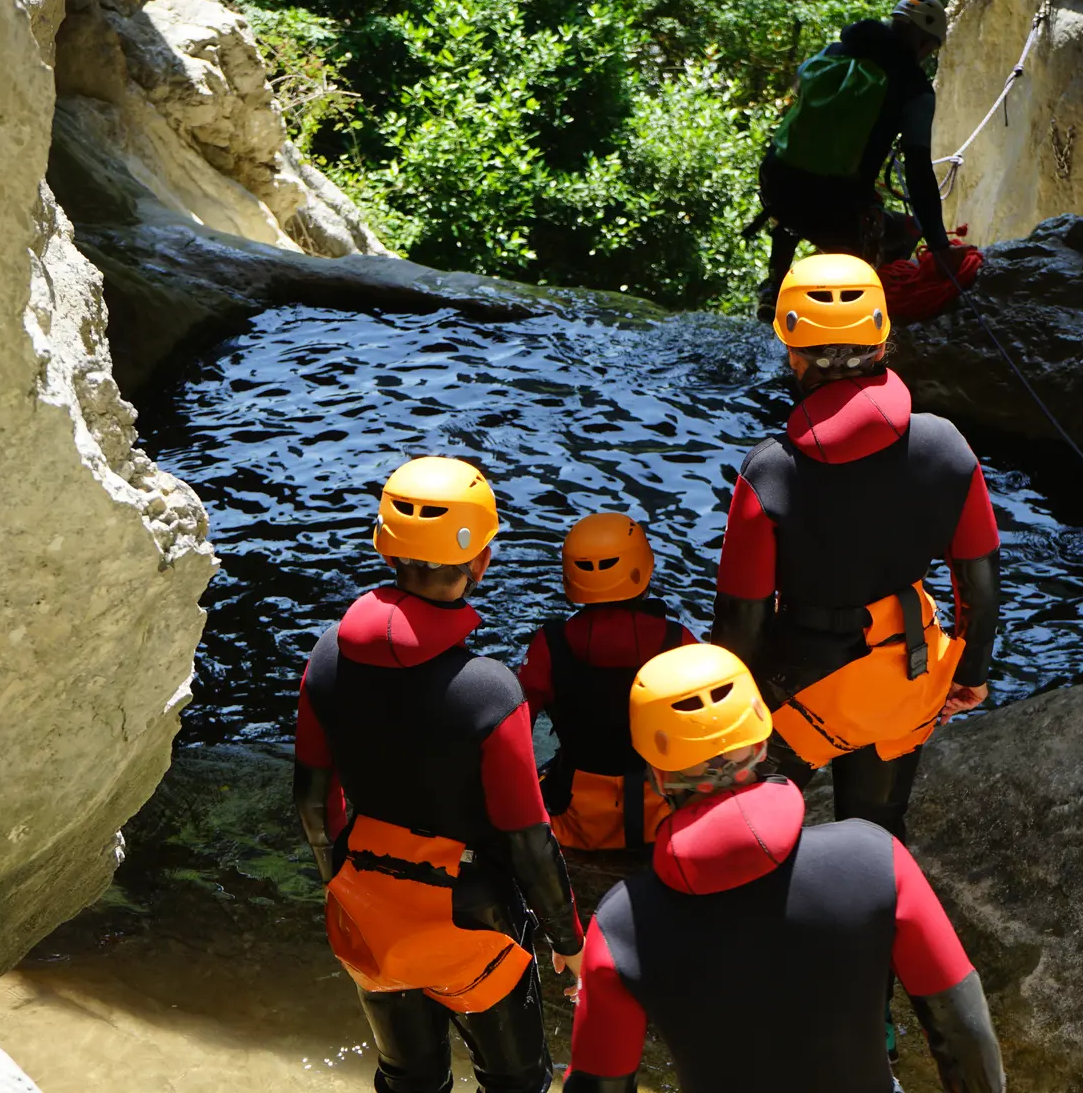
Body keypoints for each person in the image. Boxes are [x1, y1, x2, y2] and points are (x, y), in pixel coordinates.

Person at [560, 643, 1006, 1092]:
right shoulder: (873, 859)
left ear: (656, 776)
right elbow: (965, 1032)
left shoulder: (622, 925)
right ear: (761, 743)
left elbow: (599, 1085)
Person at [293, 456, 585, 1093]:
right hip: (472, 916)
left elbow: (314, 804)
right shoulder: (489, 692)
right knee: (516, 1084)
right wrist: (567, 937)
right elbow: (527, 838)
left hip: (369, 900)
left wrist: (343, 887)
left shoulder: (326, 655)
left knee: (408, 1079)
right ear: (482, 560)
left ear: (384, 547)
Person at [710, 252, 1002, 844]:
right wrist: (969, 673)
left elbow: (743, 619)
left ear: (793, 352)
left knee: (753, 835)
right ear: (882, 341)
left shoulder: (770, 472)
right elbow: (980, 583)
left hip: (799, 686)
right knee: (876, 831)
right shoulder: (946, 445)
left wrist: (728, 717)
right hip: (906, 670)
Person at [754, 0, 958, 322]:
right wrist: (939, 245)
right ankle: (862, 305)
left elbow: (801, 90)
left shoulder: (834, 52)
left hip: (777, 184)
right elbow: (918, 170)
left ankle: (774, 287)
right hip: (836, 207)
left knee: (794, 211)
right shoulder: (915, 90)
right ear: (923, 42)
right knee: (907, 230)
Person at [517, 513, 696, 851]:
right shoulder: (678, 640)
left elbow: (516, 729)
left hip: (573, 820)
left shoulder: (550, 644)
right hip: (659, 816)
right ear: (644, 568)